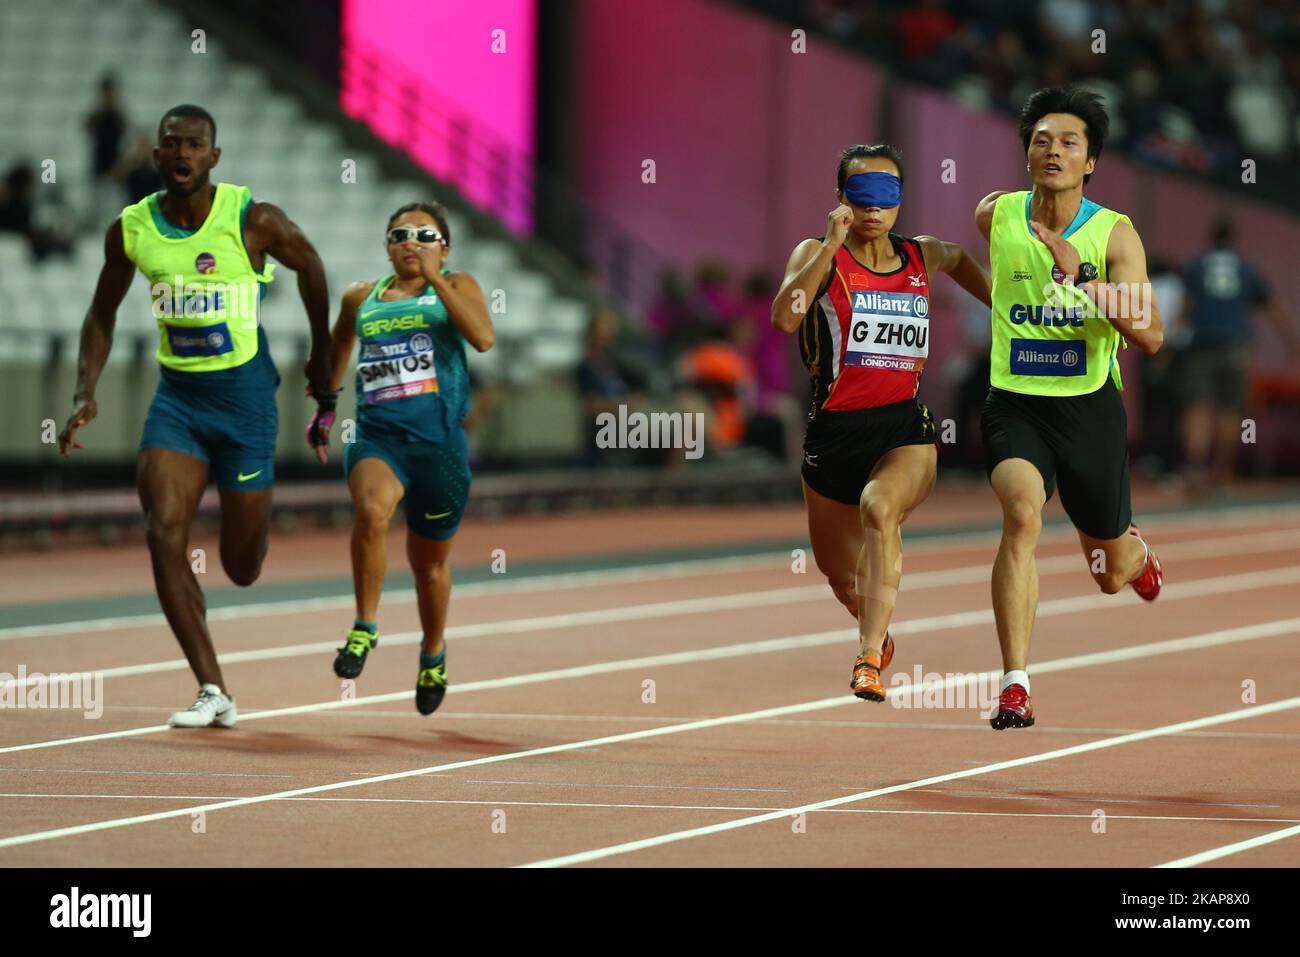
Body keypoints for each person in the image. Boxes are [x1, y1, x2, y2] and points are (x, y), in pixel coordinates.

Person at [58, 105, 333, 728]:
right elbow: (101, 312)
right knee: (163, 531)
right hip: (178, 403)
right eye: (171, 144)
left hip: (245, 406)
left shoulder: (251, 220)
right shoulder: (131, 228)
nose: (182, 153)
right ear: (156, 157)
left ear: (214, 157)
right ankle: (213, 688)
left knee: (241, 567)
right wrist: (85, 391)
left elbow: (312, 264)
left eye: (195, 145)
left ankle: (252, 522)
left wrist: (322, 352)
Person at [771, 143, 992, 701]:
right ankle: (876, 628)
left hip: (904, 429)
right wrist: (829, 246)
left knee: (880, 508)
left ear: (900, 200)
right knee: (841, 577)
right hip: (832, 436)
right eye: (861, 194)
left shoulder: (922, 257)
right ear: (841, 198)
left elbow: (962, 258)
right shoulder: (819, 253)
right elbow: (784, 316)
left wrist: (1004, 306)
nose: (874, 207)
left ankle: (867, 657)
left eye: (886, 194)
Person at [974, 87, 1165, 731]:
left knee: (1109, 574)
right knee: (1021, 517)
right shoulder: (994, 214)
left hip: (1089, 411)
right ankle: (1015, 685)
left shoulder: (1115, 233)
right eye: (1041, 140)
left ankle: (1133, 552)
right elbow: (993, 277)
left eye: (1069, 143)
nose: (1052, 151)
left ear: (1091, 163)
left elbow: (1151, 334)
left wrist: (1083, 278)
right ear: (1027, 153)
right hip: (1014, 406)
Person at [308, 201, 494, 715]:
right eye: (400, 234)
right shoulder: (361, 297)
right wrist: (326, 405)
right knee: (371, 513)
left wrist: (439, 281)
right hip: (378, 438)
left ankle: (433, 651)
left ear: (444, 247)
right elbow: (339, 342)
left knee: (429, 566)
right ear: (387, 246)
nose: (411, 241)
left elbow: (482, 338)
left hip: (439, 447)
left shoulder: (459, 286)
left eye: (425, 235)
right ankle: (365, 627)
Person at [1178, 219, 1299, 494]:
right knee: (1229, 409)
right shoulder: (1246, 267)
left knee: (1197, 406)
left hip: (1201, 343)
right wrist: (1292, 341)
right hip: (1235, 343)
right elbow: (1273, 305)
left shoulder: (1196, 265)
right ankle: (1222, 473)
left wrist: (1171, 340)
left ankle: (1195, 471)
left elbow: (1186, 305)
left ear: (1210, 238)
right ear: (1233, 239)